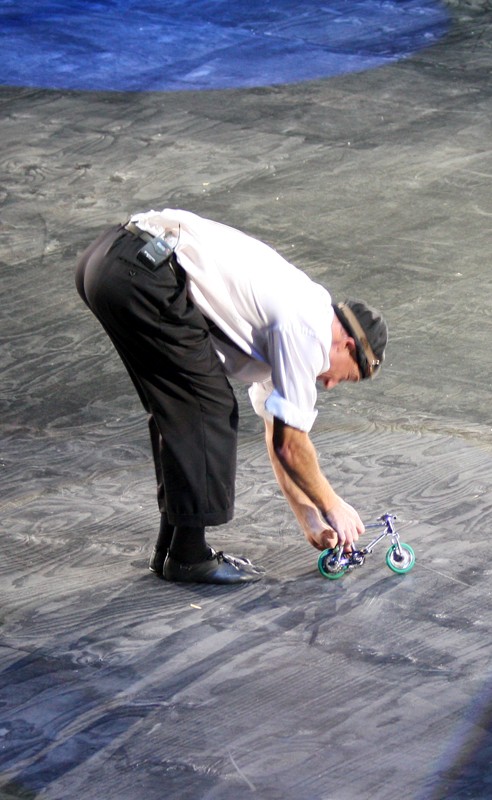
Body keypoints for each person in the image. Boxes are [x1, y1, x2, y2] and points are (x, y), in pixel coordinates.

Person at [75, 208, 388, 585]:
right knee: (208, 407)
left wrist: (310, 519)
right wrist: (333, 505)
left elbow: (279, 433)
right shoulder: (309, 330)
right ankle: (190, 557)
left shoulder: (296, 317)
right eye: (345, 377)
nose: (330, 385)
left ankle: (172, 548)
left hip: (110, 260)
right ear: (348, 345)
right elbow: (292, 445)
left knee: (179, 409)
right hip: (143, 272)